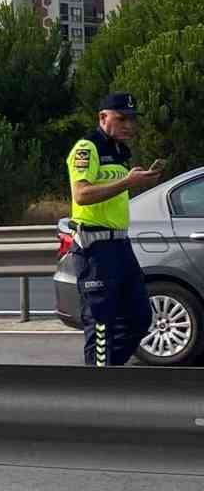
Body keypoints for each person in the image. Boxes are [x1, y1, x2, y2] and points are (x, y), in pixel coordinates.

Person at [67, 93, 165, 367]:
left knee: (140, 317)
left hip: (120, 245)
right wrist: (127, 182)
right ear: (103, 117)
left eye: (132, 119)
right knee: (101, 324)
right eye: (121, 118)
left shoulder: (119, 151)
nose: (129, 125)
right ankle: (98, 385)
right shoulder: (87, 148)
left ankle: (110, 373)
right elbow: (82, 195)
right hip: (94, 247)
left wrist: (135, 179)